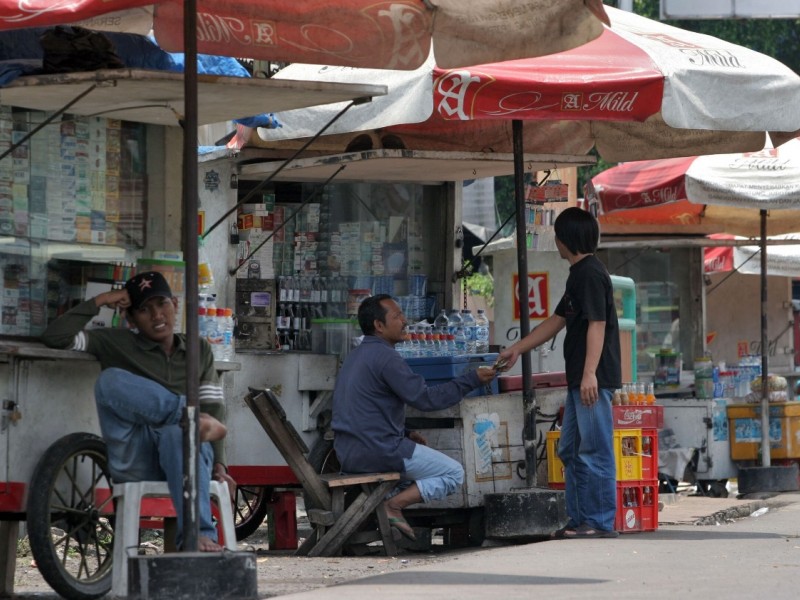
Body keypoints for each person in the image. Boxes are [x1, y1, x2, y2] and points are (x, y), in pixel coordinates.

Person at [41, 271, 235, 552]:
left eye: (162, 304)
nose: (157, 316)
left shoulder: (198, 350)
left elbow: (214, 408)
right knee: (109, 382)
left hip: (186, 455)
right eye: (144, 309)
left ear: (175, 306)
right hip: (138, 459)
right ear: (131, 319)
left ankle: (197, 534)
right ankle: (184, 414)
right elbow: (55, 337)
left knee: (175, 436)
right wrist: (101, 300)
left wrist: (220, 466)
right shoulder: (115, 342)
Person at [497, 207, 621, 539]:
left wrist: (590, 373)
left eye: (557, 235)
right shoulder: (578, 274)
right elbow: (557, 321)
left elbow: (598, 323)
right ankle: (581, 519)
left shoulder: (591, 274)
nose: (555, 241)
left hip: (591, 378)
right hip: (579, 378)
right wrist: (516, 349)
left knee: (594, 450)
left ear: (566, 238)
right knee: (569, 449)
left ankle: (599, 522)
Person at [332, 294, 497, 541]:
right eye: (397, 316)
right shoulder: (386, 357)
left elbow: (367, 409)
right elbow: (426, 400)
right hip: (379, 451)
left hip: (348, 452)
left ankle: (387, 503)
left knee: (417, 472)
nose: (404, 321)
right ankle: (393, 505)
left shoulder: (355, 355)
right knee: (454, 473)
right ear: (379, 325)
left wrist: (406, 432)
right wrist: (471, 379)